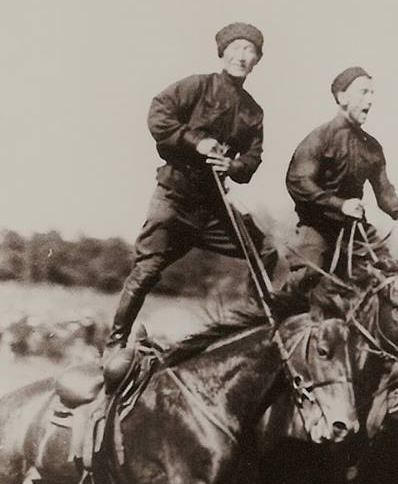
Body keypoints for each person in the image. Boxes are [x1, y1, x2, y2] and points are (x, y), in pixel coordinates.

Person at [105, 22, 275, 356]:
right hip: (175, 196)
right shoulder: (197, 86)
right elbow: (159, 113)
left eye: (250, 51)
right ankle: (114, 344)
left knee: (264, 251)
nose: (242, 56)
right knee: (147, 269)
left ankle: (254, 330)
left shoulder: (253, 112)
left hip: (214, 208)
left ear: (257, 60)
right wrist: (196, 142)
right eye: (236, 48)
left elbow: (253, 157)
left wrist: (233, 167)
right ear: (222, 53)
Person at [285, 66, 398, 284]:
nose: (370, 100)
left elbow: (384, 190)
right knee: (306, 277)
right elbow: (298, 182)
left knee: (393, 277)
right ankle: (281, 305)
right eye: (364, 92)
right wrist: (340, 205)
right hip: (318, 227)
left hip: (355, 229)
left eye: (372, 93)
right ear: (342, 97)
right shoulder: (319, 138)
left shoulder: (372, 147)